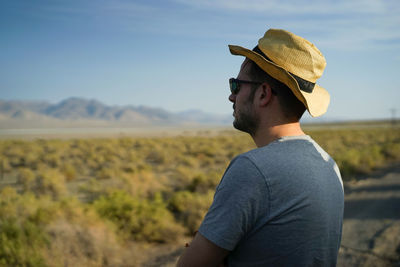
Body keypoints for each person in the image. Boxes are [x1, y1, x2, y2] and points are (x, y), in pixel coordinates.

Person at [177, 28, 344, 267]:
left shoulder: (253, 170)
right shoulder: (328, 165)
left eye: (236, 86)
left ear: (263, 93)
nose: (231, 97)